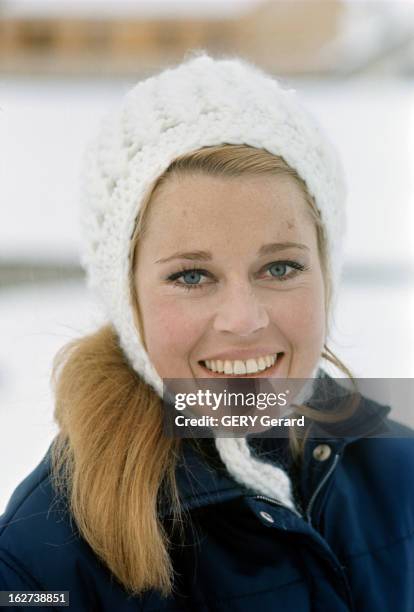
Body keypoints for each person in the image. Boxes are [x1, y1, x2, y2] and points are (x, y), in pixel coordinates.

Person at [1, 53, 413, 612]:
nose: (243, 320)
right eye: (191, 276)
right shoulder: (40, 559)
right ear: (127, 299)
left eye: (280, 268)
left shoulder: (399, 473)